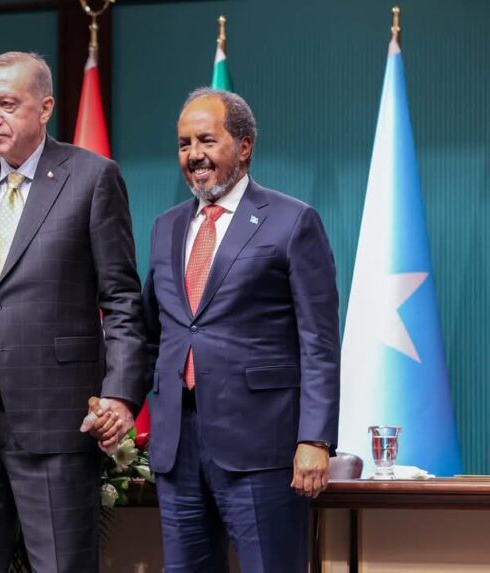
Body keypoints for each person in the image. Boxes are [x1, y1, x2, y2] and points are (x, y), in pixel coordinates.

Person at [0, 51, 147, 573]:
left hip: (58, 417)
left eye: (6, 104)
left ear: (45, 108)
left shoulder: (92, 177)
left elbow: (122, 300)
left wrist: (120, 395)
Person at [141, 87, 340, 573]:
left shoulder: (292, 221)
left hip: (262, 450)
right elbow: (153, 333)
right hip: (177, 449)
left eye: (206, 140)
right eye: (184, 144)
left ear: (244, 146)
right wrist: (120, 402)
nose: (194, 155)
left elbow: (319, 343)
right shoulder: (166, 227)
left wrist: (315, 439)